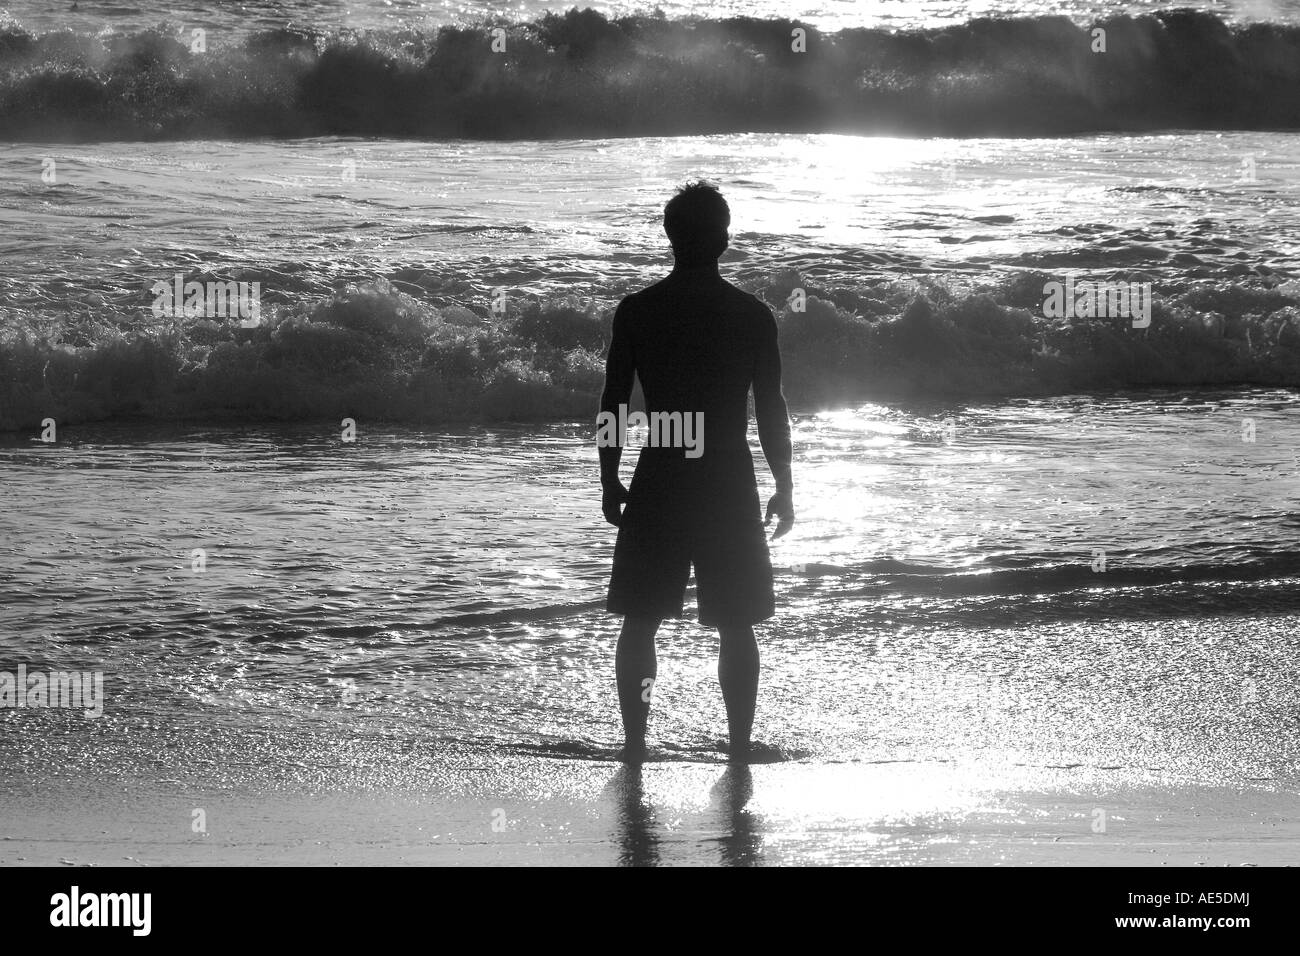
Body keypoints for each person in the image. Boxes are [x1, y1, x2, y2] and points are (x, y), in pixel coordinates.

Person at [598, 181, 794, 764]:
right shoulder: (751, 315)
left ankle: (635, 745)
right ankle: (738, 747)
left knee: (641, 616)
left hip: (662, 472)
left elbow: (613, 403)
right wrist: (784, 483)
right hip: (728, 477)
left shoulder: (639, 311)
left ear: (670, 237)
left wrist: (610, 477)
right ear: (724, 239)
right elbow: (771, 409)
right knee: (737, 621)